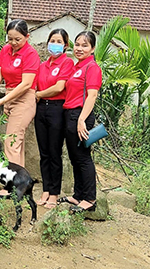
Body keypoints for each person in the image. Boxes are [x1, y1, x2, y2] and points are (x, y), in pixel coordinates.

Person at [0, 19, 40, 174]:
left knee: (11, 142)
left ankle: (12, 182)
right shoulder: (5, 50)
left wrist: (2, 101)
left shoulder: (30, 54)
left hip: (24, 99)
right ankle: (19, 183)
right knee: (17, 143)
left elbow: (26, 84)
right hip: (10, 95)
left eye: (18, 39)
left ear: (27, 36)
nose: (13, 42)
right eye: (10, 38)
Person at [60, 31, 102, 213]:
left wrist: (82, 120)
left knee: (83, 157)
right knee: (74, 157)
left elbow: (92, 95)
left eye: (85, 45)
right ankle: (78, 195)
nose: (79, 48)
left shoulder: (92, 67)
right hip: (70, 115)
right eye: (77, 44)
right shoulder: (77, 67)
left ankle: (90, 199)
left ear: (92, 48)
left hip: (81, 116)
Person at [33, 29, 74, 209]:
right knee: (44, 153)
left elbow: (59, 87)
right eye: (52, 40)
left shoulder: (67, 63)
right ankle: (45, 190)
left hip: (57, 109)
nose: (55, 44)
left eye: (59, 41)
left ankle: (55, 193)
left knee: (55, 152)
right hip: (41, 110)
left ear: (65, 45)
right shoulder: (42, 65)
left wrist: (40, 93)